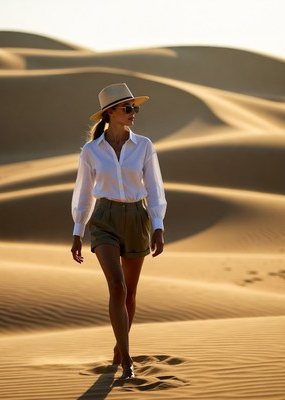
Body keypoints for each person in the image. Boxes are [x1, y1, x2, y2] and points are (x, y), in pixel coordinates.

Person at [71, 83, 167, 379]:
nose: (133, 112)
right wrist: (78, 230)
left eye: (135, 108)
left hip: (137, 218)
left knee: (130, 293)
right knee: (117, 287)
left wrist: (158, 225)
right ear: (110, 112)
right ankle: (127, 361)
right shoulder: (91, 151)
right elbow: (84, 192)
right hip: (104, 220)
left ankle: (118, 347)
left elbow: (154, 187)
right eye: (127, 108)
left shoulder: (145, 145)